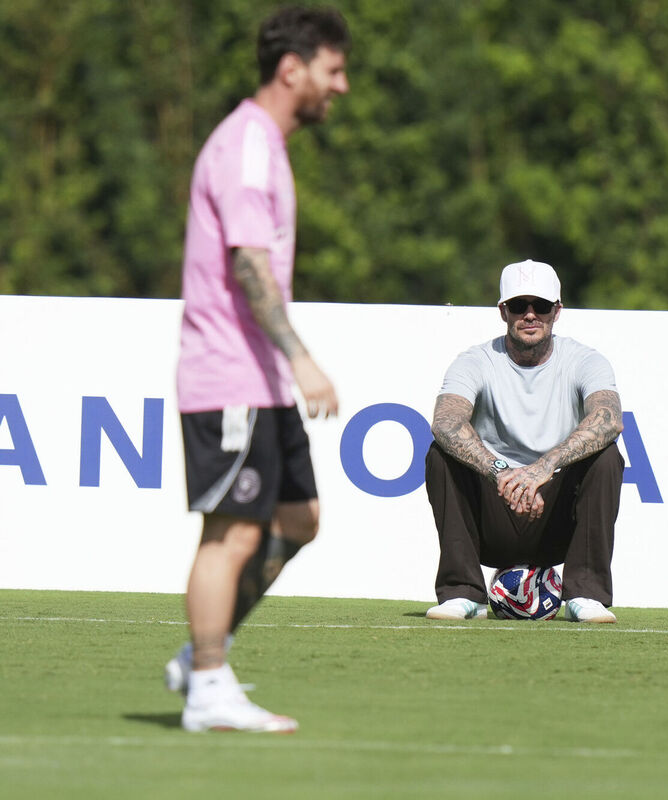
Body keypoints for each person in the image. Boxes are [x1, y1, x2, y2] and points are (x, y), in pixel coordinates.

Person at [164, 6, 350, 733]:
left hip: (260, 379)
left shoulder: (265, 144)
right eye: (333, 70)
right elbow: (247, 265)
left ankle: (200, 657)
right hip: (230, 375)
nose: (341, 86)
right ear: (292, 68)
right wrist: (301, 357)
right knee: (233, 532)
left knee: (298, 519)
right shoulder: (246, 145)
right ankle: (209, 686)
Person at [425, 259, 624, 623]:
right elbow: (446, 422)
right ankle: (462, 592)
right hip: (494, 510)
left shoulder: (585, 360)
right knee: (441, 453)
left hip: (557, 516)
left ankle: (585, 593)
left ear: (557, 311)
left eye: (541, 305)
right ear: (503, 311)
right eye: (519, 305)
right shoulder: (475, 361)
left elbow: (608, 419)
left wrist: (544, 467)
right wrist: (501, 472)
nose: (530, 315)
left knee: (607, 456)